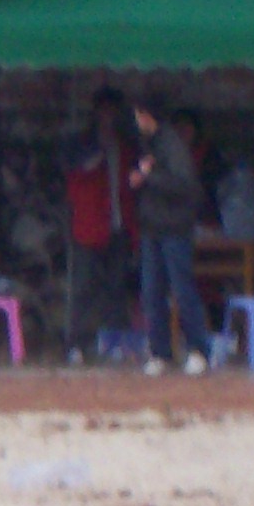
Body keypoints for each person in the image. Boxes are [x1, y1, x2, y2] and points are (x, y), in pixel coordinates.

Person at [128, 99, 210, 375]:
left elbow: (184, 186)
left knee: (182, 290)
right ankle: (160, 352)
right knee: (151, 293)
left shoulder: (172, 146)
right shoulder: (148, 144)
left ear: (147, 116)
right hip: (152, 228)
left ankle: (199, 350)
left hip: (174, 229)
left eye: (138, 115)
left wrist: (149, 178)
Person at [63, 87, 133, 360]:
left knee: (117, 286)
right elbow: (76, 173)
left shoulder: (124, 146)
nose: (108, 119)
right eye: (104, 113)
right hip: (89, 225)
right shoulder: (81, 144)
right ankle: (76, 344)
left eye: (113, 113)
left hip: (119, 224)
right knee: (83, 286)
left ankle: (116, 342)